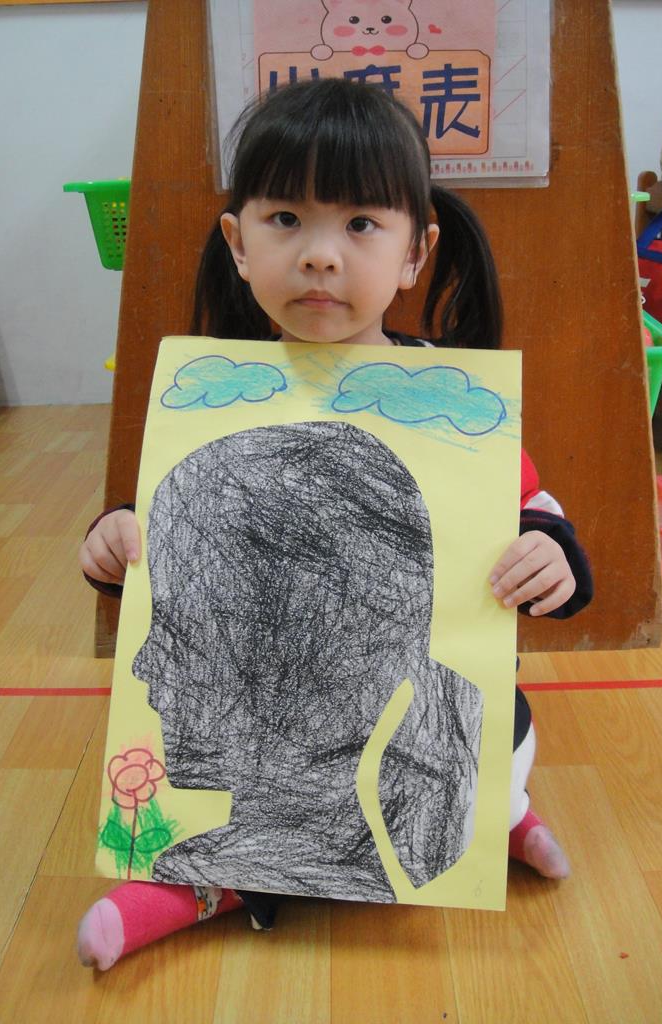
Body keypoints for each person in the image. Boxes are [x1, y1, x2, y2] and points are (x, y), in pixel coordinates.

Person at [76, 78, 593, 971]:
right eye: (286, 219)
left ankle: (496, 817)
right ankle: (219, 876)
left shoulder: (450, 407)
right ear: (238, 243)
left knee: (491, 752)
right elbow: (163, 542)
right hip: (275, 763)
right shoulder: (213, 402)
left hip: (419, 726)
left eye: (360, 224)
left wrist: (552, 554)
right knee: (261, 802)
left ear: (415, 251)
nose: (320, 256)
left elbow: (534, 512)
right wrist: (117, 538)